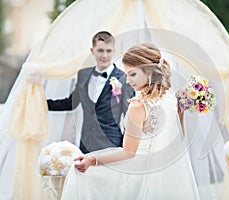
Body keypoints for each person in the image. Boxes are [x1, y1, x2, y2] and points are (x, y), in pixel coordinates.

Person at [61, 43, 200, 199]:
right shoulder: (173, 97)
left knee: (84, 179)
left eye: (132, 74)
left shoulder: (138, 106)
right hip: (171, 176)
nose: (127, 81)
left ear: (149, 72)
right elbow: (179, 140)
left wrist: (91, 159)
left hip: (140, 175)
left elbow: (128, 152)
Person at [47, 31, 135, 153]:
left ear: (114, 51)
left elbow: (129, 116)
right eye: (100, 50)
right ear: (92, 51)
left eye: (108, 51)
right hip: (85, 145)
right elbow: (70, 103)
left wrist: (125, 148)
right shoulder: (83, 75)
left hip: (112, 146)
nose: (104, 55)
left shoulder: (124, 79)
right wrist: (41, 103)